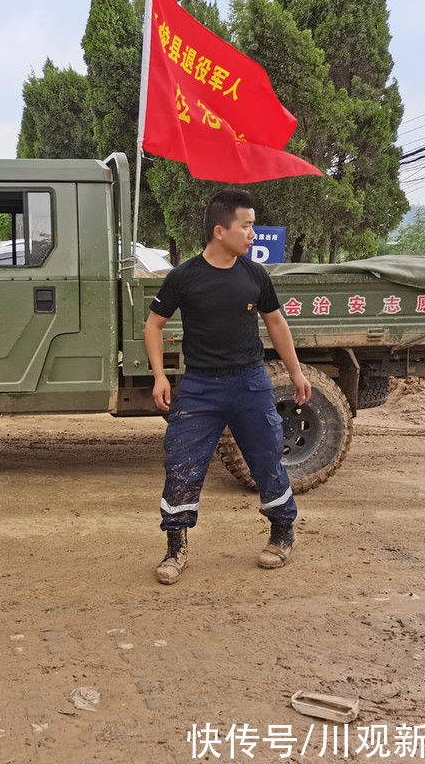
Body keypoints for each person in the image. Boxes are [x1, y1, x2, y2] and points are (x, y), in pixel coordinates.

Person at [144, 189, 312, 585]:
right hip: (199, 387)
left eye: (253, 225)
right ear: (221, 231)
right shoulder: (184, 277)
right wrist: (159, 375)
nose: (253, 233)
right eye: (247, 225)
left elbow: (276, 324)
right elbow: (154, 324)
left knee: (267, 458)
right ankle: (175, 547)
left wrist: (297, 372)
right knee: (182, 464)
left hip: (250, 383)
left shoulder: (255, 275)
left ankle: (282, 533)